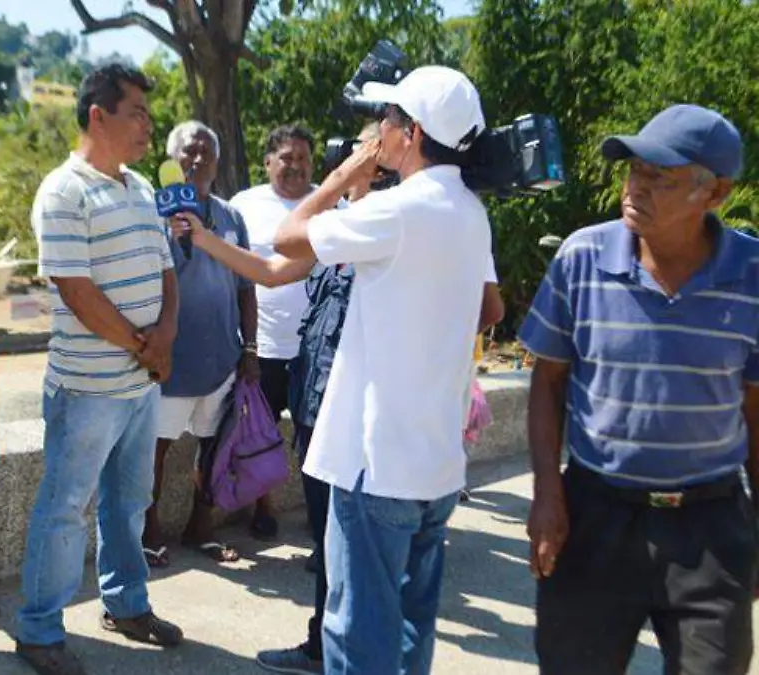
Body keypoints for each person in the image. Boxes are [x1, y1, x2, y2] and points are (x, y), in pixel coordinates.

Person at [520, 104, 757, 675]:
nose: (636, 188)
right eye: (634, 171)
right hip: (595, 517)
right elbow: (547, 381)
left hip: (709, 526)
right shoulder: (581, 258)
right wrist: (548, 495)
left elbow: (757, 410)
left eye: (660, 178)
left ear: (716, 194)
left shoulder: (753, 275)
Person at [271, 65, 491, 674]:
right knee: (411, 626)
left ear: (412, 132)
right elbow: (485, 306)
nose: (379, 132)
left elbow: (289, 238)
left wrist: (345, 174)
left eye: (387, 121)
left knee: (357, 632)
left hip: (377, 467)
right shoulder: (472, 213)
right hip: (436, 464)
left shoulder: (398, 210)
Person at [16, 64, 183, 675]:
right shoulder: (64, 191)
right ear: (98, 115)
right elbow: (77, 293)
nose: (147, 124)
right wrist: (148, 347)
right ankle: (38, 631)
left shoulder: (140, 188)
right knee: (65, 508)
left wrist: (163, 336)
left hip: (139, 387)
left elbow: (168, 273)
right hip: (87, 389)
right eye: (137, 111)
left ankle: (127, 603)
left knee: (130, 501)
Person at [142, 120, 260, 569]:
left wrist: (250, 350)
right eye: (188, 152)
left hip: (222, 360)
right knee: (157, 449)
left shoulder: (232, 218)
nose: (197, 160)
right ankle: (148, 531)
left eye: (205, 152)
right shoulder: (154, 217)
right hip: (172, 362)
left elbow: (248, 288)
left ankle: (201, 524)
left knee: (213, 447)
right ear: (172, 161)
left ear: (217, 159)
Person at [227, 124, 319, 541]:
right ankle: (262, 508)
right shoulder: (243, 205)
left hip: (315, 351)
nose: (295, 166)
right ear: (267, 163)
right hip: (259, 347)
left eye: (302, 158)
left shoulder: (329, 204)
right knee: (259, 434)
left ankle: (319, 518)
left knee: (313, 437)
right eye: (286, 157)